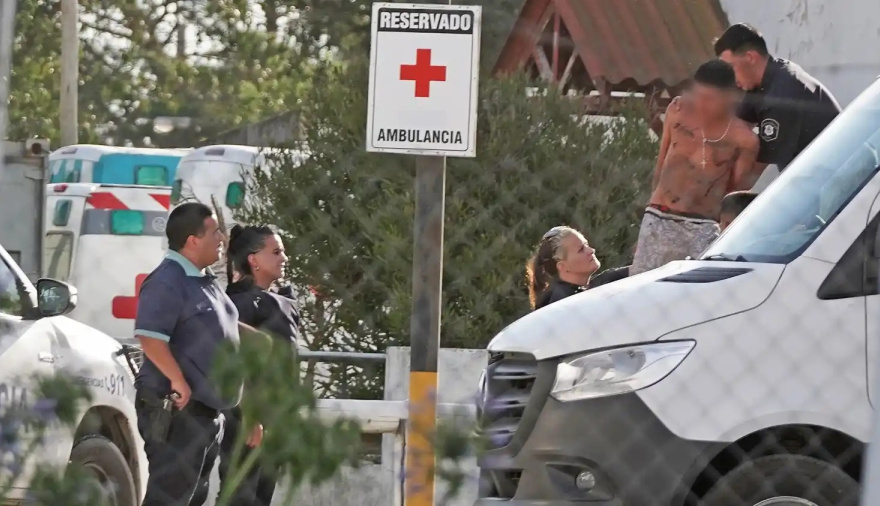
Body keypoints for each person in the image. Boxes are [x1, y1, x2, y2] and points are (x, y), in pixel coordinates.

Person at [133, 202, 244, 506]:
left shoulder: (203, 279)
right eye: (214, 233)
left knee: (192, 499)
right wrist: (178, 381)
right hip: (180, 413)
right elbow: (151, 337)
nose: (222, 238)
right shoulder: (167, 280)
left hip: (207, 415)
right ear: (193, 241)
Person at [630, 59, 760, 276]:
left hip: (702, 225)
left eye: (710, 99)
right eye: (698, 95)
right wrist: (648, 217)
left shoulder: (744, 140)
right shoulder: (677, 110)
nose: (701, 104)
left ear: (731, 97)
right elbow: (661, 160)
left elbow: (734, 192)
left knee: (697, 289)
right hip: (659, 215)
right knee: (640, 286)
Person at [219, 224, 303, 506]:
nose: (284, 258)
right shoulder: (237, 304)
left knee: (260, 498)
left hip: (276, 417)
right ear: (253, 260)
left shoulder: (282, 303)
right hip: (247, 418)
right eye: (276, 251)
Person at [714, 23, 841, 172]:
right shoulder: (766, 76)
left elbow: (751, 169)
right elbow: (736, 127)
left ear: (750, 57)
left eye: (731, 68)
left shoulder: (781, 95)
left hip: (839, 176)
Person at [526, 226, 601, 310]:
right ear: (562, 266)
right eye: (581, 249)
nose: (591, 250)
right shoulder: (564, 304)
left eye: (586, 245)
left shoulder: (576, 293)